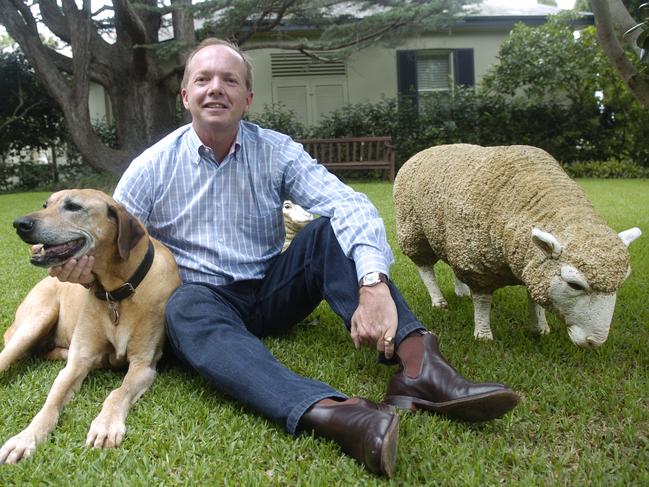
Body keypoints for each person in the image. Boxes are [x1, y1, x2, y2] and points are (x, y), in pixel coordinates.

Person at [51, 38, 518, 477]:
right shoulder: (151, 167)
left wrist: (372, 284)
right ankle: (339, 416)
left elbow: (348, 203)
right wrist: (85, 275)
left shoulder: (275, 151)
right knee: (183, 308)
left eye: (230, 80)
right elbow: (112, 242)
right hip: (202, 301)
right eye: (203, 79)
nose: (216, 88)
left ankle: (420, 369)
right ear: (185, 96)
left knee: (325, 232)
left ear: (248, 98)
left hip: (271, 288)